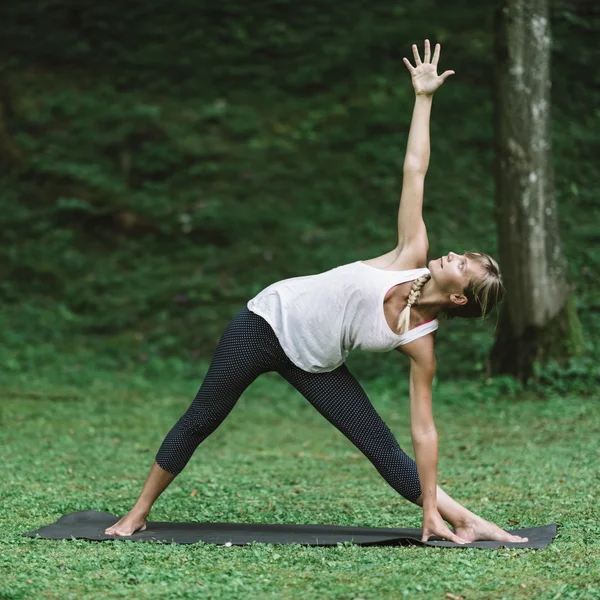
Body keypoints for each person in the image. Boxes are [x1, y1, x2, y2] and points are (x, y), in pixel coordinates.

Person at [105, 40, 528, 544]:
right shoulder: (410, 253)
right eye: (462, 253)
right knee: (203, 417)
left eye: (464, 266)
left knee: (383, 448)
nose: (454, 256)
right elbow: (415, 169)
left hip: (315, 363)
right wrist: (424, 98)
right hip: (266, 323)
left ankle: (458, 517)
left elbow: (424, 432)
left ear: (460, 297)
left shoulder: (421, 343)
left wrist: (429, 503)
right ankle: (137, 513)